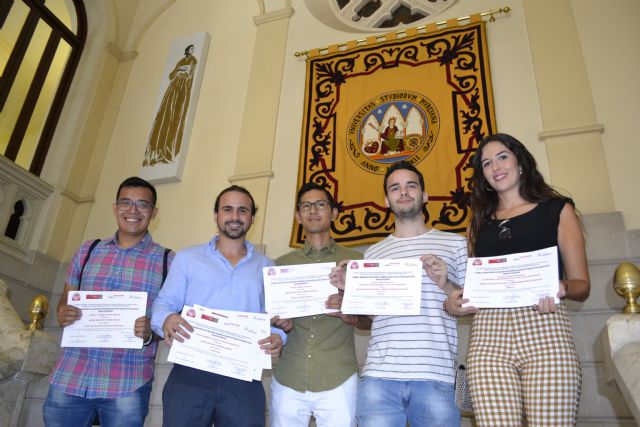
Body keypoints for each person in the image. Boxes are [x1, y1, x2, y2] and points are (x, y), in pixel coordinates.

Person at [456, 133, 590, 426]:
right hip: (488, 334)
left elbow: (582, 285)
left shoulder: (558, 210)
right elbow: (474, 287)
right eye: (487, 163)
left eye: (502, 157)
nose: (495, 167)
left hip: (545, 327)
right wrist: (457, 299)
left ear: (520, 163)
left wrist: (562, 287)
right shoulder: (478, 222)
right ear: (484, 176)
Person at [330, 160, 468, 427]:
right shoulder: (372, 254)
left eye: (411, 185)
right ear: (386, 200)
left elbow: (468, 304)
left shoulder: (455, 244)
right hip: (379, 379)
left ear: (425, 195)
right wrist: (351, 291)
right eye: (395, 188)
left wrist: (445, 283)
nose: (403, 192)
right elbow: (371, 317)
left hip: (436, 376)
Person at [151, 184, 287, 427]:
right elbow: (163, 304)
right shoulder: (187, 258)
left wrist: (278, 337)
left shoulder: (269, 266)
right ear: (216, 215)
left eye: (242, 211)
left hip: (244, 378)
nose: (235, 217)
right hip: (189, 375)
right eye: (227, 209)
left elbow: (277, 319)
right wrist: (166, 319)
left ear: (252, 218)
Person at [43, 177, 174, 427]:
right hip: (71, 375)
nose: (133, 210)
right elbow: (66, 298)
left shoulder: (168, 261)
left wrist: (150, 333)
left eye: (142, 205)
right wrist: (63, 312)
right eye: (125, 202)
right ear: (115, 208)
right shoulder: (87, 250)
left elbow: (168, 322)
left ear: (154, 212)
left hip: (128, 382)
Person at [270, 182, 371, 427]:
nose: (313, 210)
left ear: (334, 213)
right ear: (298, 216)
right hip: (288, 376)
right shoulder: (280, 265)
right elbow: (269, 321)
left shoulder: (356, 261)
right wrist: (278, 325)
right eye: (306, 206)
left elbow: (370, 320)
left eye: (320, 204)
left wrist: (352, 315)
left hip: (338, 377)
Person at [143, 43, 197, 166]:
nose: (192, 51)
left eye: (193, 49)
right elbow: (171, 74)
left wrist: (181, 70)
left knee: (175, 114)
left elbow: (189, 73)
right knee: (166, 112)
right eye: (191, 49)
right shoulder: (182, 60)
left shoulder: (193, 60)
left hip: (182, 88)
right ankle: (155, 151)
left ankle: (166, 151)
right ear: (187, 50)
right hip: (174, 87)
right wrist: (179, 70)